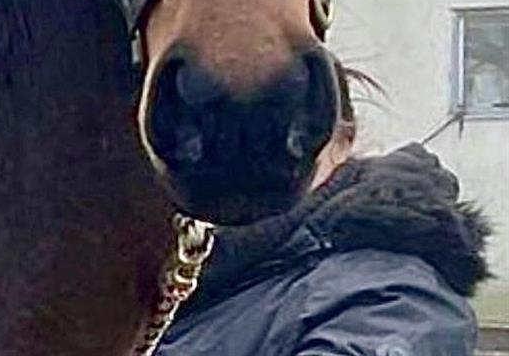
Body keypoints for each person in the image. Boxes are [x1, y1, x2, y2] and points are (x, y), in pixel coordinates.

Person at [159, 61, 490, 356]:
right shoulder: (176, 282)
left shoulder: (393, 301)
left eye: (282, 133)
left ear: (343, 140)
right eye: (201, 135)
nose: (242, 156)